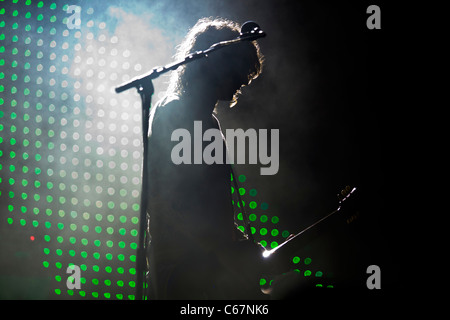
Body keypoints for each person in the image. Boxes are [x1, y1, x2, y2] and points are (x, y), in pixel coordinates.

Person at [146, 17, 264, 299]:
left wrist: (239, 241)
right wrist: (226, 249)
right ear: (213, 63)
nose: (242, 80)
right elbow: (166, 202)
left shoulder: (209, 123)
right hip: (183, 274)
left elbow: (208, 209)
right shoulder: (175, 113)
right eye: (238, 69)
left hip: (208, 269)